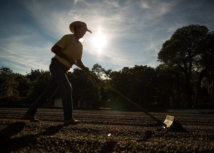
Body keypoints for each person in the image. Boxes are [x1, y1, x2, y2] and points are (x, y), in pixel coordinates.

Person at [23, 21, 91, 125]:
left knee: (47, 93)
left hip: (63, 69)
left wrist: (85, 68)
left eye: (85, 31)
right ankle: (68, 118)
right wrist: (68, 58)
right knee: (67, 88)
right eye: (83, 30)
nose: (84, 32)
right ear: (76, 28)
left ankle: (30, 113)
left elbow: (78, 61)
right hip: (57, 66)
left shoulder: (80, 46)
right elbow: (54, 49)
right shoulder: (67, 37)